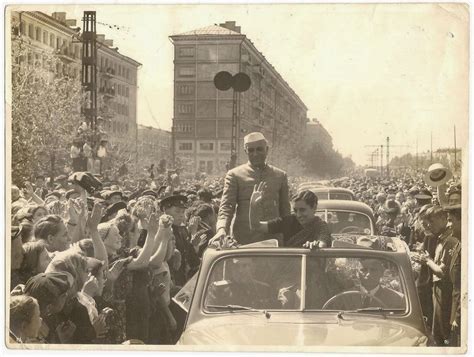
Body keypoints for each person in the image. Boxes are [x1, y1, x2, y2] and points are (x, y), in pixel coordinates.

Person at [213, 132, 291, 245]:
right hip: (245, 241)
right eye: (251, 150)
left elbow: (285, 211)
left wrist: (288, 237)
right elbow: (226, 206)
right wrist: (221, 229)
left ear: (267, 149)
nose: (255, 153)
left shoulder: (280, 175)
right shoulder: (234, 175)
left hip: (274, 241)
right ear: (246, 151)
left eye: (259, 149)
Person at [415, 205, 459, 346]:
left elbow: (442, 272)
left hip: (444, 290)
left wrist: (427, 261)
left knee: (442, 331)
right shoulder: (441, 238)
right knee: (436, 330)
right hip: (437, 290)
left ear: (442, 218)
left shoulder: (450, 240)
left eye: (432, 221)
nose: (429, 225)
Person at [249, 185, 331, 248]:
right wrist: (253, 206)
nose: (298, 215)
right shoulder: (288, 221)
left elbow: (322, 243)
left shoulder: (321, 226)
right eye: (295, 210)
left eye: (302, 210)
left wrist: (315, 246)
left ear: (314, 207)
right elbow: (256, 226)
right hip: (288, 267)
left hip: (311, 268)